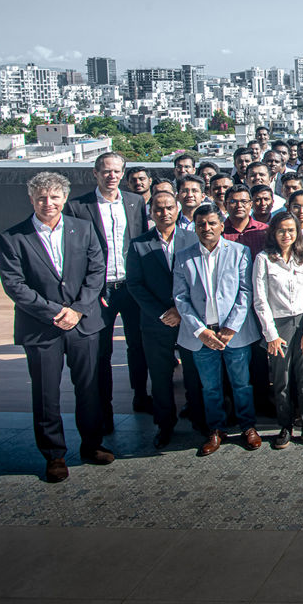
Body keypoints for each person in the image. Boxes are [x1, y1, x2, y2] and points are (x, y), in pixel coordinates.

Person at [0, 172, 112, 482]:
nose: (48, 203)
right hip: (41, 328)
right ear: (31, 199)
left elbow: (96, 271)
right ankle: (54, 455)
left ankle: (92, 445)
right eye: (41, 198)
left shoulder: (84, 229)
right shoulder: (12, 238)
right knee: (46, 394)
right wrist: (56, 311)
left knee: (89, 389)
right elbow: (15, 285)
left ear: (64, 197)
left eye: (54, 197)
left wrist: (76, 310)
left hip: (82, 324)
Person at [64, 152, 150, 428]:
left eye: (116, 171)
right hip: (98, 290)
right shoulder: (78, 207)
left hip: (131, 286)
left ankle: (141, 395)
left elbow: (142, 242)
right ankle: (104, 408)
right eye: (106, 171)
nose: (111, 176)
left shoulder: (135, 203)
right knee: (101, 351)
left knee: (137, 346)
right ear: (95, 173)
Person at [172, 203, 264, 457]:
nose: (207, 228)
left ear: (221, 225)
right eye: (201, 224)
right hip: (203, 335)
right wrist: (200, 331)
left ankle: (247, 426)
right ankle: (216, 429)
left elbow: (246, 291)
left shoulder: (240, 252)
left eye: (212, 223)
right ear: (195, 227)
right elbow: (180, 298)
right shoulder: (183, 256)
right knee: (210, 387)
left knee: (242, 384)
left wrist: (231, 327)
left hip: (233, 333)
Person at [126, 190, 203, 447]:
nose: (164, 212)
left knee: (194, 372)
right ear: (151, 212)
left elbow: (202, 280)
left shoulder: (193, 238)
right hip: (156, 322)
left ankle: (199, 419)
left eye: (169, 207)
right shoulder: (138, 244)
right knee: (160, 376)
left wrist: (182, 310)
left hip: (189, 319)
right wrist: (162, 313)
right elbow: (135, 285)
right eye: (158, 208)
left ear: (177, 208)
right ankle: (165, 424)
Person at [252, 212, 303, 449]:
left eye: (291, 230)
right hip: (278, 324)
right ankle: (285, 426)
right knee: (281, 380)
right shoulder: (264, 259)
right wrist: (271, 335)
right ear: (273, 232)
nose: (286, 235)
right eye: (281, 230)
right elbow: (260, 300)